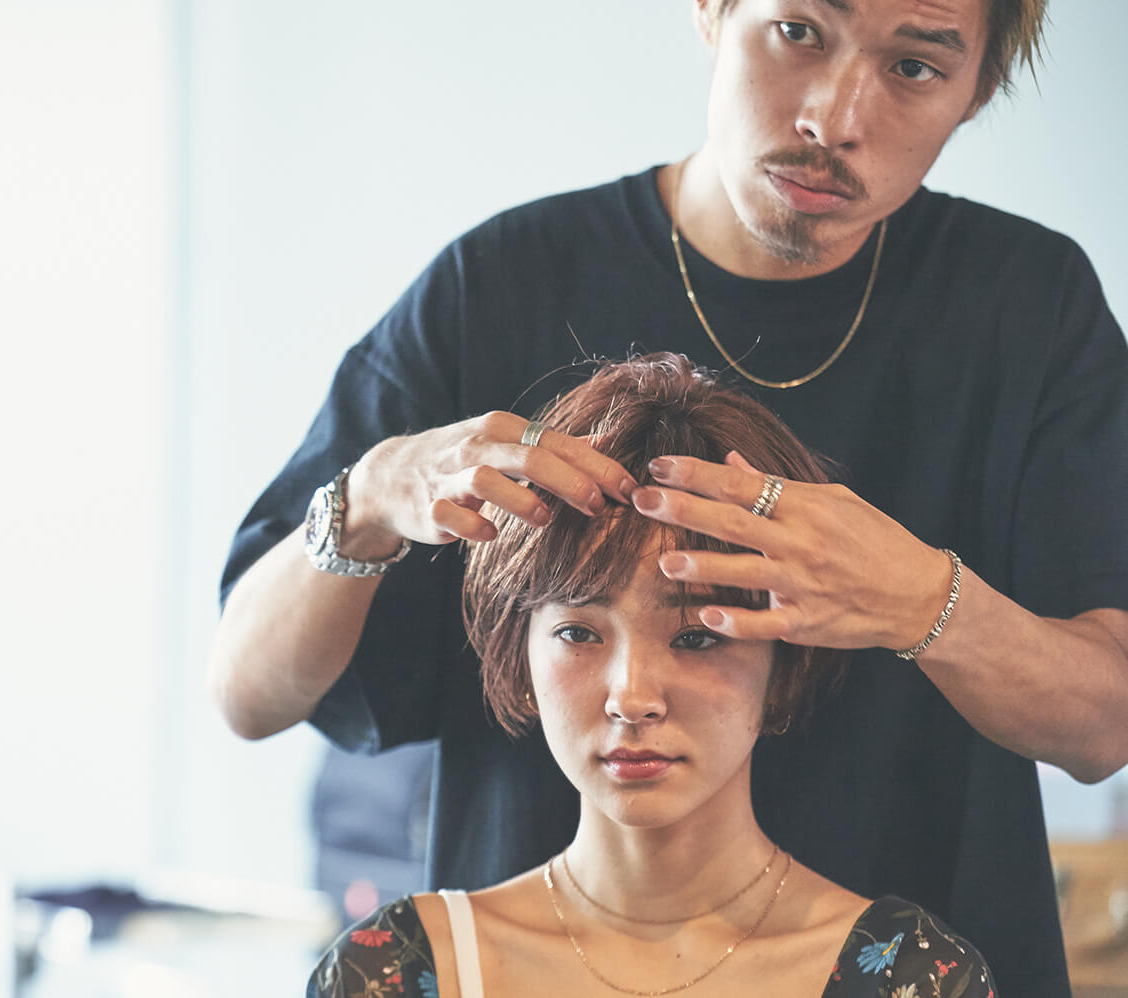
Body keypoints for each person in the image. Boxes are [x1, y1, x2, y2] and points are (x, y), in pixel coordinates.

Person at [209, 1, 1128, 992]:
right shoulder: (499, 286)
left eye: (913, 68)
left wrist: (920, 600)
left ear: (977, 91)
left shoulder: (1028, 306)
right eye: (800, 31)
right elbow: (248, 693)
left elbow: (1105, 723)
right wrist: (369, 497)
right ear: (713, 10)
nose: (834, 119)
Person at [309, 354, 995, 997]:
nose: (632, 698)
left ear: (785, 655)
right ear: (518, 652)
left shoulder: (908, 976)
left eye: (696, 637)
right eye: (579, 633)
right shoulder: (397, 969)